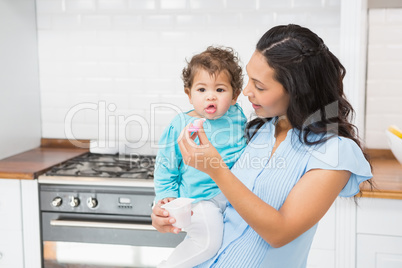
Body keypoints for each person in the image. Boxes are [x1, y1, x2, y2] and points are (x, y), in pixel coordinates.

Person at [151, 24, 373, 267]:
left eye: (259, 86)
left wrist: (216, 169)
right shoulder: (258, 132)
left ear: (297, 91)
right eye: (249, 79)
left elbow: (279, 233)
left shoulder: (334, 153)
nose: (245, 92)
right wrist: (172, 213)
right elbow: (220, 209)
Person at [154, 46, 247, 268]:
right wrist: (167, 195)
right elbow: (166, 165)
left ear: (235, 95)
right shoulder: (181, 124)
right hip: (200, 198)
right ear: (189, 94)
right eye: (202, 89)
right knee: (207, 244)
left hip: (234, 195)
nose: (211, 96)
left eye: (220, 90)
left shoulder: (238, 116)